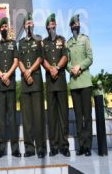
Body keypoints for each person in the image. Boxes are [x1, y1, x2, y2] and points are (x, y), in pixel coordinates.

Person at [18, 13, 46, 158]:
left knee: (38, 116)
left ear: (33, 25)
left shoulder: (39, 40)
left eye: (31, 22)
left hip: (36, 81)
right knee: (27, 117)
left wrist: (30, 71)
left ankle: (41, 147)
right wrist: (25, 72)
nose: (29, 25)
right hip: (25, 82)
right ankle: (29, 148)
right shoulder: (21, 43)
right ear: (24, 26)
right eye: (26, 23)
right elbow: (19, 60)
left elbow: (40, 58)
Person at [0, 17, 21, 158]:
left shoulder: (13, 43)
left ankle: (15, 149)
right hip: (1, 86)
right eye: (2, 27)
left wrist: (8, 75)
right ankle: (1, 149)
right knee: (1, 118)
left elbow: (16, 61)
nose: (4, 29)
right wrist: (2, 76)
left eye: (5, 27)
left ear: (8, 29)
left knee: (12, 117)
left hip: (11, 84)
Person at [42, 13, 70, 157]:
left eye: (53, 24)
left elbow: (65, 56)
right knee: (52, 116)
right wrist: (50, 69)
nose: (51, 26)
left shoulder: (62, 40)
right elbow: (42, 59)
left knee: (63, 114)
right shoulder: (44, 42)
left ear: (56, 25)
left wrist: (57, 68)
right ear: (46, 27)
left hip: (60, 81)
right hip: (50, 82)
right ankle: (53, 146)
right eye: (49, 25)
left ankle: (64, 146)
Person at [67, 14, 93, 156]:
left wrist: (79, 67)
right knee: (78, 116)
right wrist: (72, 68)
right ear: (71, 27)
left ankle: (88, 145)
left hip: (85, 82)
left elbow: (90, 58)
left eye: (77, 23)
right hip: (75, 83)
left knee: (87, 115)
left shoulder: (85, 39)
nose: (76, 26)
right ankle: (81, 145)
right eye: (73, 24)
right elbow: (67, 61)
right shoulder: (68, 43)